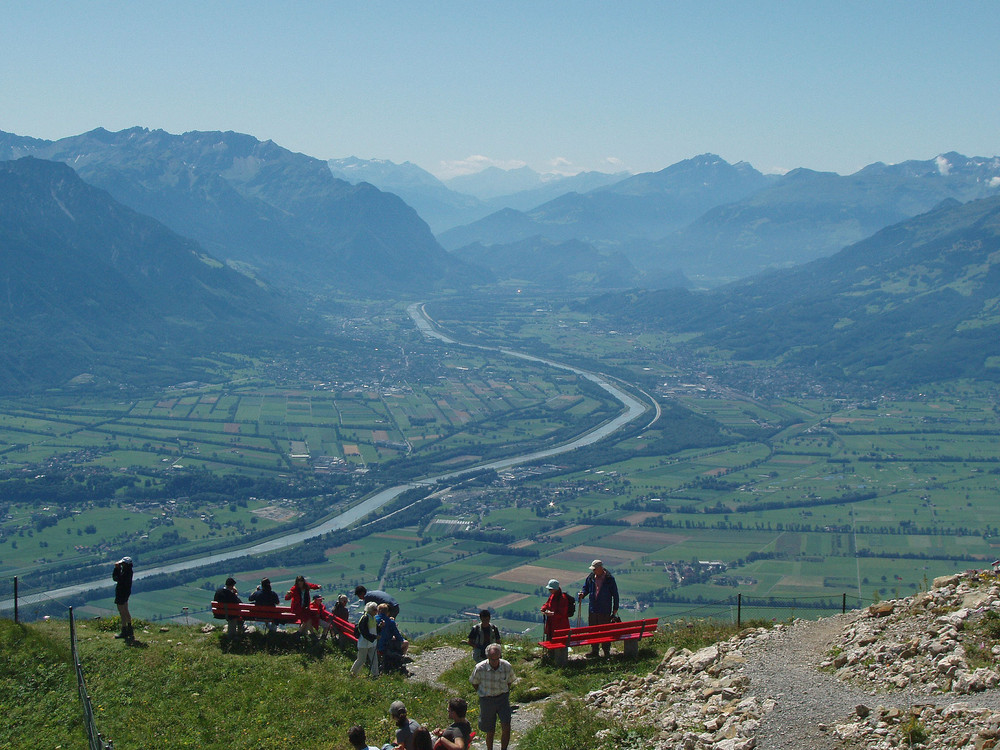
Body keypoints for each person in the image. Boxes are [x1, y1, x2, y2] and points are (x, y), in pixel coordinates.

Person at [469, 643, 515, 750]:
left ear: (500, 656)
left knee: (506, 725)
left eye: (497, 658)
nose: (495, 661)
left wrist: (504, 691)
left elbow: (510, 681)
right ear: (487, 657)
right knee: (490, 729)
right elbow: (474, 682)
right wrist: (482, 693)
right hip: (487, 699)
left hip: (502, 698)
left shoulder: (506, 666)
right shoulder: (480, 668)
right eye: (492, 659)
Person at [578, 559, 619, 657]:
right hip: (593, 609)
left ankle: (606, 651)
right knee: (593, 630)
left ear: (600, 568)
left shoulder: (609, 579)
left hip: (604, 609)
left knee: (604, 631)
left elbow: (615, 594)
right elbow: (586, 588)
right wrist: (582, 594)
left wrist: (615, 608)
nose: (593, 571)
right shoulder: (591, 577)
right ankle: (595, 650)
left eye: (595, 569)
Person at [376, 602, 408, 674]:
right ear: (388, 612)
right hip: (385, 646)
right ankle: (398, 661)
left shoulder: (373, 619)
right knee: (406, 643)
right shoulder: (390, 622)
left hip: (373, 644)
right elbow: (398, 636)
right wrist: (402, 640)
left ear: (378, 611)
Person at [351, 601, 380, 678]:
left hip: (371, 643)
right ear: (370, 610)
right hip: (364, 643)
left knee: (374, 660)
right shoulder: (365, 618)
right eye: (375, 609)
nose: (376, 611)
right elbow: (364, 632)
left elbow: (376, 629)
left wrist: (380, 626)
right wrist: (374, 637)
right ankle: (353, 673)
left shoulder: (373, 618)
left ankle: (375, 675)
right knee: (361, 660)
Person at [112, 556, 134, 642]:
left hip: (121, 593)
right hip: (126, 593)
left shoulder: (125, 573)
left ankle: (124, 630)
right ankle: (129, 629)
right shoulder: (129, 571)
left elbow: (116, 578)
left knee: (122, 611)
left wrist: (116, 569)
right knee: (126, 610)